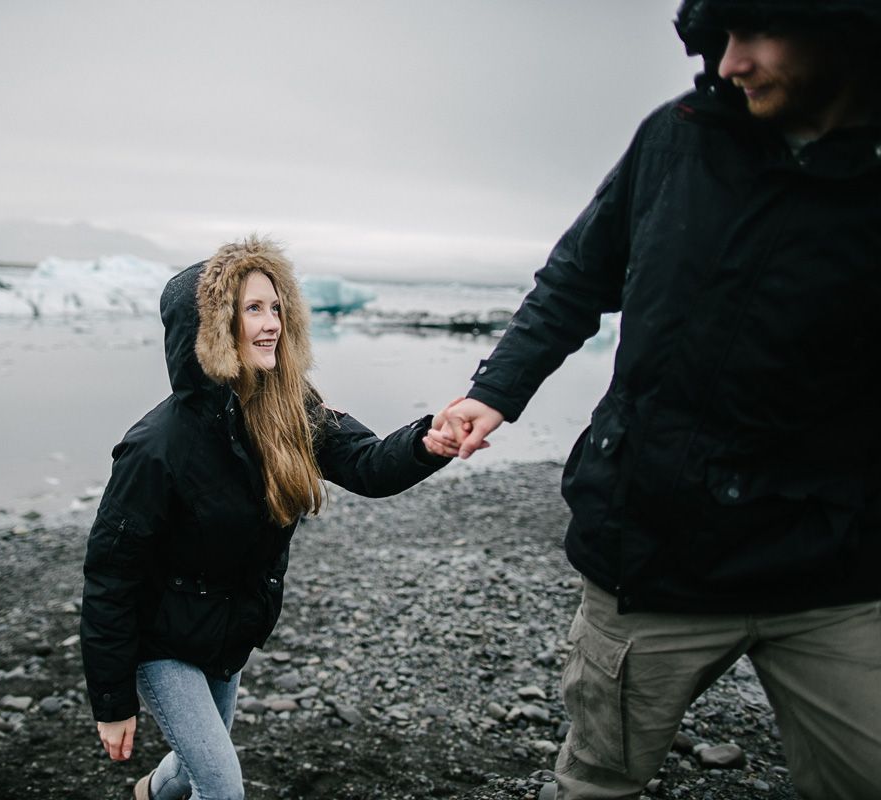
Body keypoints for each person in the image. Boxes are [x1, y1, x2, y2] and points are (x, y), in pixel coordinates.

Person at [426, 1, 881, 797]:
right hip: (654, 554)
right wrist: (495, 392)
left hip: (835, 570)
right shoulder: (678, 137)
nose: (731, 62)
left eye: (758, 33)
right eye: (723, 36)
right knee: (597, 780)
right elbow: (575, 277)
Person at [80, 236, 451, 800]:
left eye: (276, 307)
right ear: (214, 325)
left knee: (196, 763)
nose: (271, 322)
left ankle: (147, 794)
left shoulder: (289, 409)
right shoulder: (157, 446)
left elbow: (367, 465)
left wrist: (430, 441)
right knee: (222, 786)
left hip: (226, 629)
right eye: (253, 308)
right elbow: (111, 574)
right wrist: (112, 703)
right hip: (161, 638)